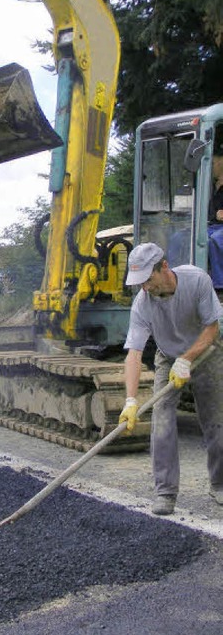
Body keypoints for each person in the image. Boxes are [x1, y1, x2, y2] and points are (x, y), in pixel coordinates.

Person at [119, 242, 223, 516]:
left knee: (216, 422)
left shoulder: (196, 280)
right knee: (162, 423)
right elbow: (134, 354)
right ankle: (165, 492)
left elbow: (212, 328)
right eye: (139, 283)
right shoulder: (142, 304)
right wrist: (130, 400)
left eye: (148, 280)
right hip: (167, 357)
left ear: (163, 267)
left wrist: (187, 359)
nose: (145, 287)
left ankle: (220, 483)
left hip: (205, 352)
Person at [207, 153, 223, 289]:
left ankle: (219, 285)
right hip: (208, 225)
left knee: (215, 239)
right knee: (180, 237)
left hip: (220, 228)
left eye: (212, 163)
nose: (210, 167)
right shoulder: (209, 186)